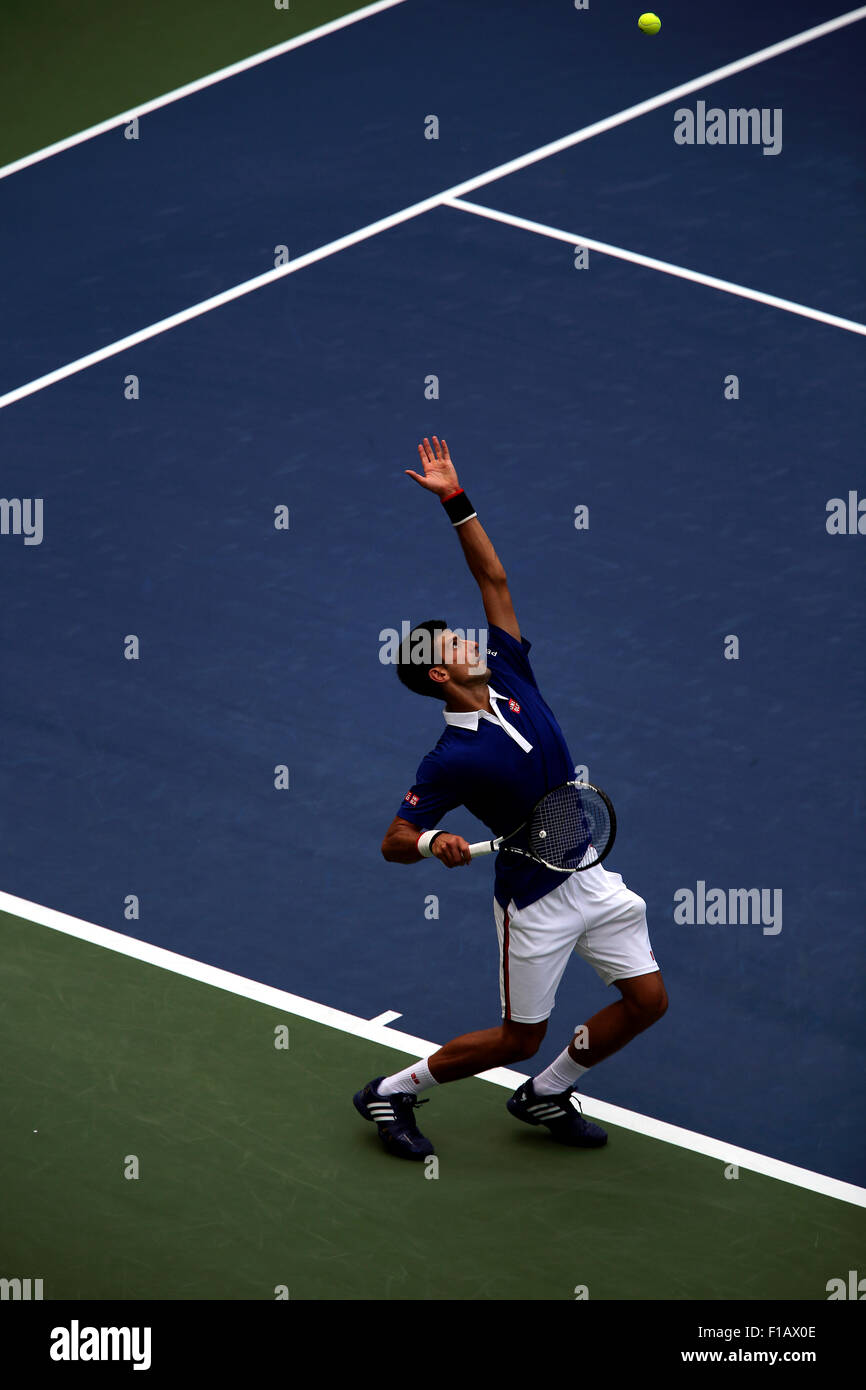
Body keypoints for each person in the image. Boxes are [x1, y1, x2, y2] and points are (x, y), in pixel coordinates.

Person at [354, 437, 667, 1159]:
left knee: (647, 1001)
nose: (467, 641)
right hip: (535, 900)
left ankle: (547, 1093)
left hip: (587, 868)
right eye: (451, 647)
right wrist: (435, 843)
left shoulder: (508, 668)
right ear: (438, 678)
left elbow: (493, 578)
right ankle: (389, 1092)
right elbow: (393, 841)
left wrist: (454, 502)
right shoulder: (452, 759)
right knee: (517, 1037)